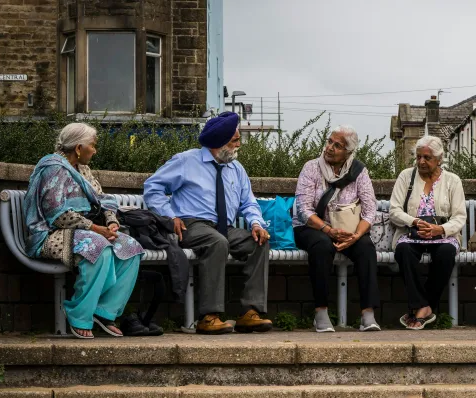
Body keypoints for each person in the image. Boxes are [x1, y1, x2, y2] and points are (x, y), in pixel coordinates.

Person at [144, 111, 273, 335]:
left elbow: (249, 203)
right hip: (192, 225)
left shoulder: (236, 168)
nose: (239, 144)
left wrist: (256, 224)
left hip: (225, 228)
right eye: (235, 140)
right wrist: (169, 216)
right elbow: (152, 188)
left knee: (258, 243)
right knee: (217, 242)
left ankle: (250, 312)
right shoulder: (186, 161)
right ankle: (209, 316)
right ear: (220, 142)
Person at [24, 123, 144, 339]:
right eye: (93, 146)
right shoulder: (53, 168)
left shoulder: (83, 169)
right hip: (51, 233)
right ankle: (80, 315)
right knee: (98, 247)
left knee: (130, 247)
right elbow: (57, 215)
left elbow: (103, 199)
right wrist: (97, 229)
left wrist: (110, 221)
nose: (95, 150)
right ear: (79, 148)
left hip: (85, 229)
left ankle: (105, 311)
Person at [293, 125, 380, 332]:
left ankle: (368, 314)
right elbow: (303, 209)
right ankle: (321, 312)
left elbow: (370, 210)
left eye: (337, 145)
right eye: (329, 141)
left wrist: (356, 235)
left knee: (366, 247)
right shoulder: (311, 167)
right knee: (323, 246)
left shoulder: (359, 171)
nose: (330, 147)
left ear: (348, 152)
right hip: (312, 228)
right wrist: (328, 230)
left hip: (347, 231)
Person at [389, 136, 466, 330]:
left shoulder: (452, 181)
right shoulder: (406, 176)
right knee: (404, 252)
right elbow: (394, 210)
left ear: (439, 159)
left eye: (427, 157)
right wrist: (414, 221)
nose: (421, 161)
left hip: (443, 235)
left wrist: (440, 229)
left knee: (446, 254)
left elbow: (459, 216)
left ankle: (419, 309)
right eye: (418, 157)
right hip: (411, 233)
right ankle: (424, 307)